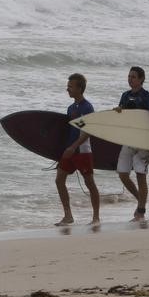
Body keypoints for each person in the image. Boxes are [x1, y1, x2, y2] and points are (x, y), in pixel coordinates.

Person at [114, 66, 149, 222]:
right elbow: (123, 119)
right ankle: (140, 199)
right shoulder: (125, 96)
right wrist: (118, 111)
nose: (130, 79)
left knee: (141, 175)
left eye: (133, 77)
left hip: (144, 141)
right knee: (122, 173)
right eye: (129, 76)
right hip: (129, 139)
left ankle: (140, 211)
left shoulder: (147, 97)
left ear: (141, 79)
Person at [55, 73, 100, 226]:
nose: (67, 89)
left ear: (79, 88)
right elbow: (70, 131)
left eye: (70, 86)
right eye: (68, 86)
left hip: (82, 151)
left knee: (90, 183)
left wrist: (74, 147)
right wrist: (61, 152)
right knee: (59, 179)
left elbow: (88, 131)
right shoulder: (71, 108)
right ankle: (68, 216)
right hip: (70, 151)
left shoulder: (87, 107)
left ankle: (96, 218)